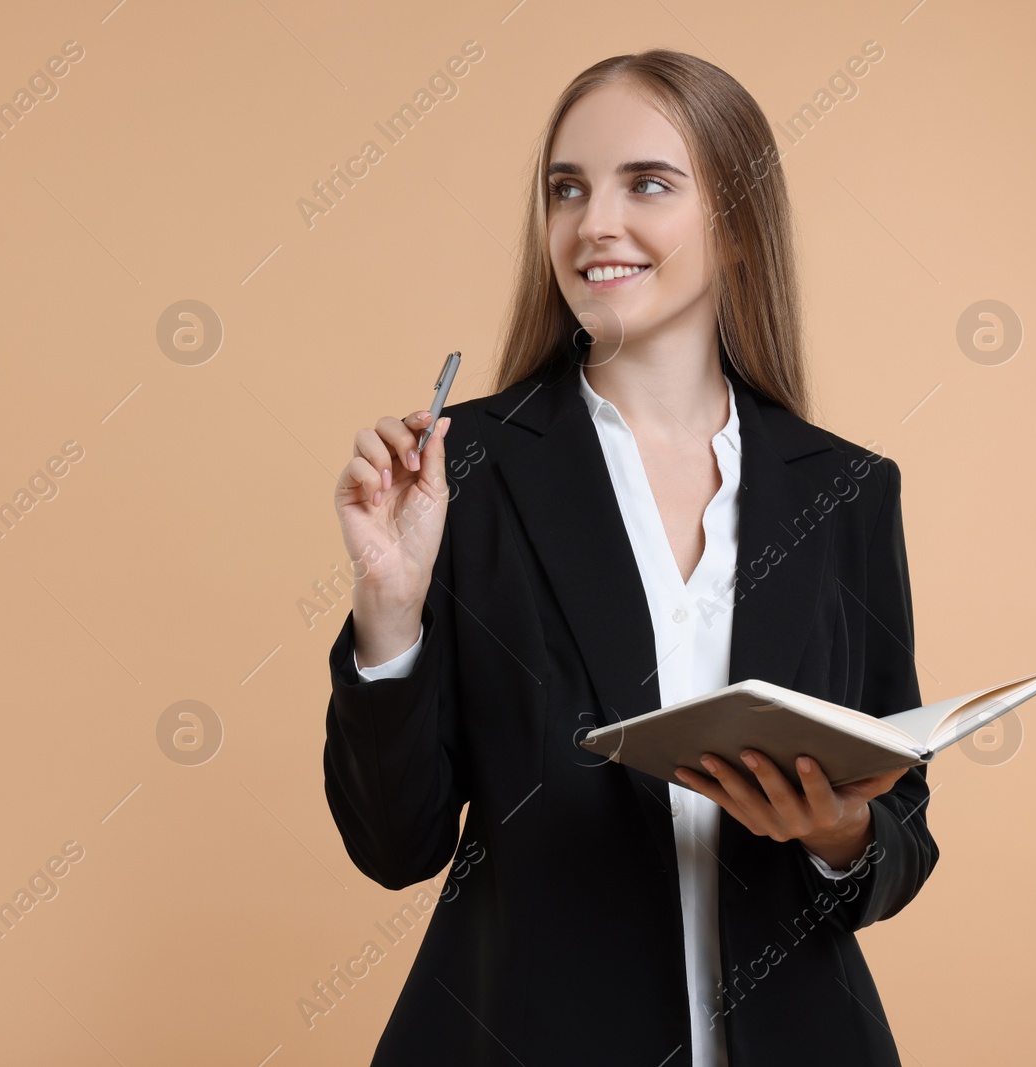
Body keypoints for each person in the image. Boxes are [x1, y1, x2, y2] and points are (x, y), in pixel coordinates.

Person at [325, 49, 938, 1067]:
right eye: (567, 189)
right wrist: (388, 609)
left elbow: (900, 832)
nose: (593, 223)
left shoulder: (847, 488)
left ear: (736, 223)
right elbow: (397, 846)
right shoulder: (458, 471)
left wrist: (839, 833)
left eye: (645, 183)